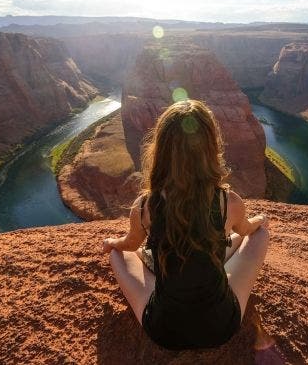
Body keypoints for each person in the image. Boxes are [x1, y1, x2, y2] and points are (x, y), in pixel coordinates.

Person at [101, 99, 276, 356]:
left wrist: (111, 243)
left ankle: (162, 268)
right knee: (257, 237)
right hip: (220, 326)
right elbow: (248, 231)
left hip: (164, 330)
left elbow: (129, 245)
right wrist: (260, 220)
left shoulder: (145, 207)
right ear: (210, 147)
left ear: (160, 150)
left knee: (118, 255)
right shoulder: (228, 202)